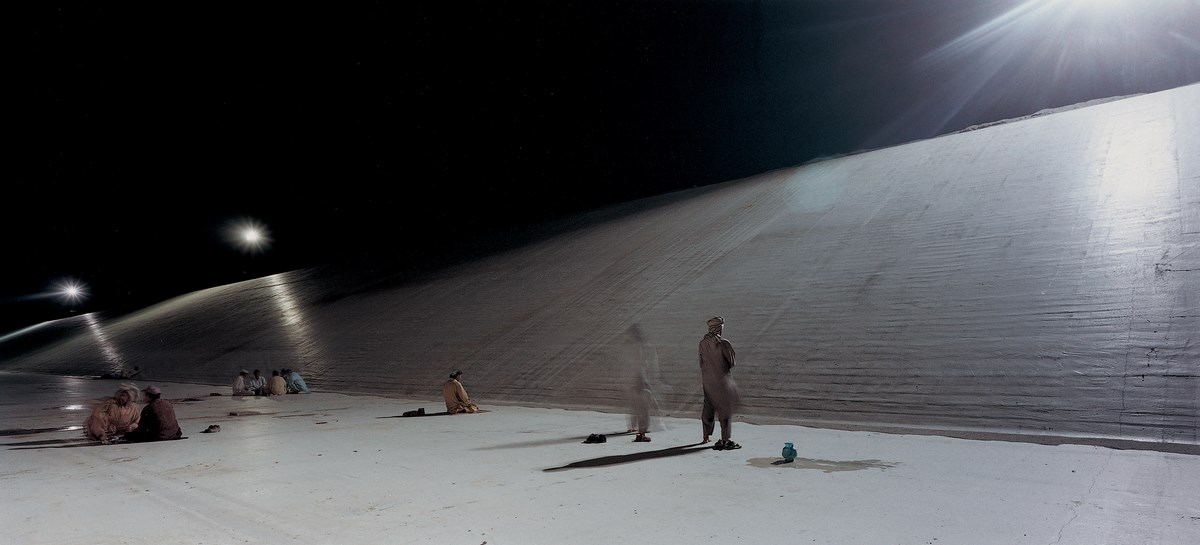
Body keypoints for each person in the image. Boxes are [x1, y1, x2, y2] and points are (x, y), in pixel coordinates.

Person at [699, 316, 740, 450]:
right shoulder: (724, 343)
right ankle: (725, 438)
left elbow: (701, 362)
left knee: (708, 408)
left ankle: (706, 436)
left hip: (707, 380)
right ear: (719, 328)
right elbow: (732, 362)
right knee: (724, 410)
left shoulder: (702, 343)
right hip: (722, 381)